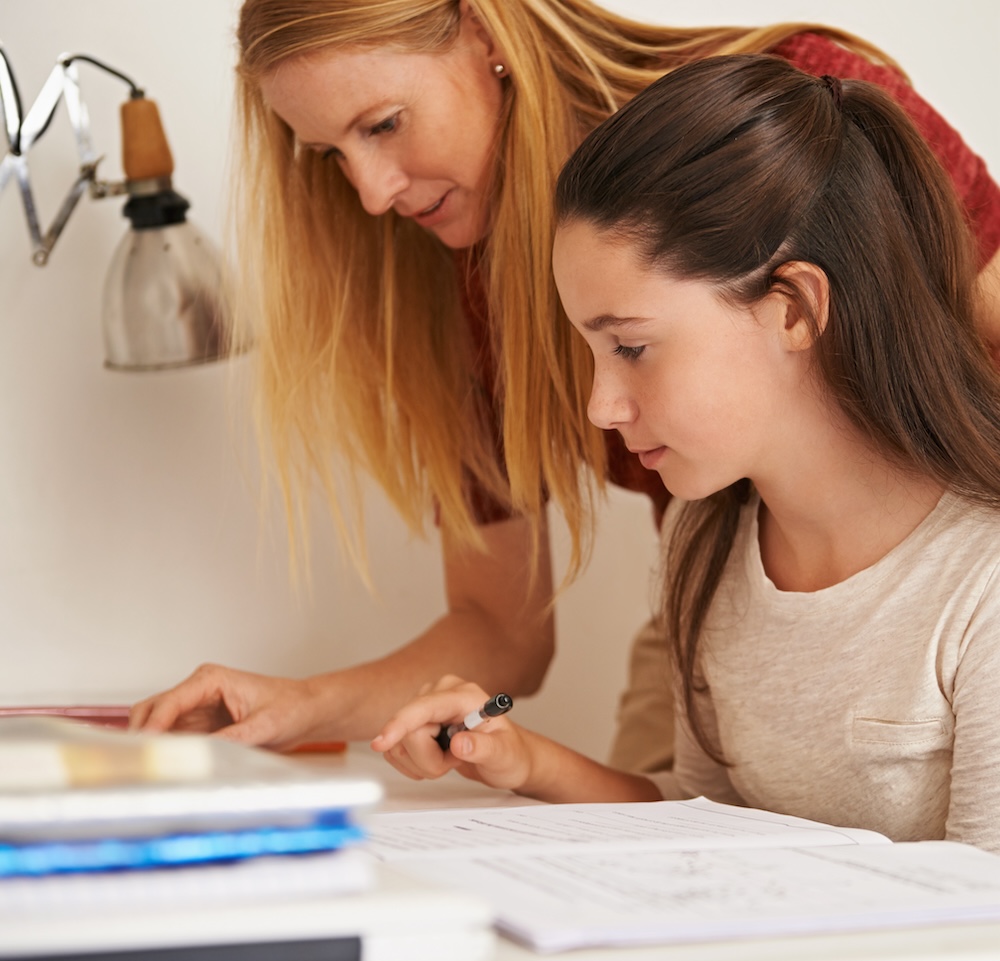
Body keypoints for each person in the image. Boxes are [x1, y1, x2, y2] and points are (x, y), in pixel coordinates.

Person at [129, 1, 1000, 767]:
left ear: (481, 29)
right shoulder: (456, 289)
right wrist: (303, 708)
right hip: (722, 610)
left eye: (385, 124)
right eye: (329, 155)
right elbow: (503, 627)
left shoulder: (792, 123)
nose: (369, 193)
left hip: (946, 607)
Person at [373, 52, 1000, 853]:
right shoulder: (703, 545)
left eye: (630, 347)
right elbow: (710, 820)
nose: (600, 407)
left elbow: (983, 922)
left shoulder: (981, 585)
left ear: (794, 310)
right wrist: (524, 761)